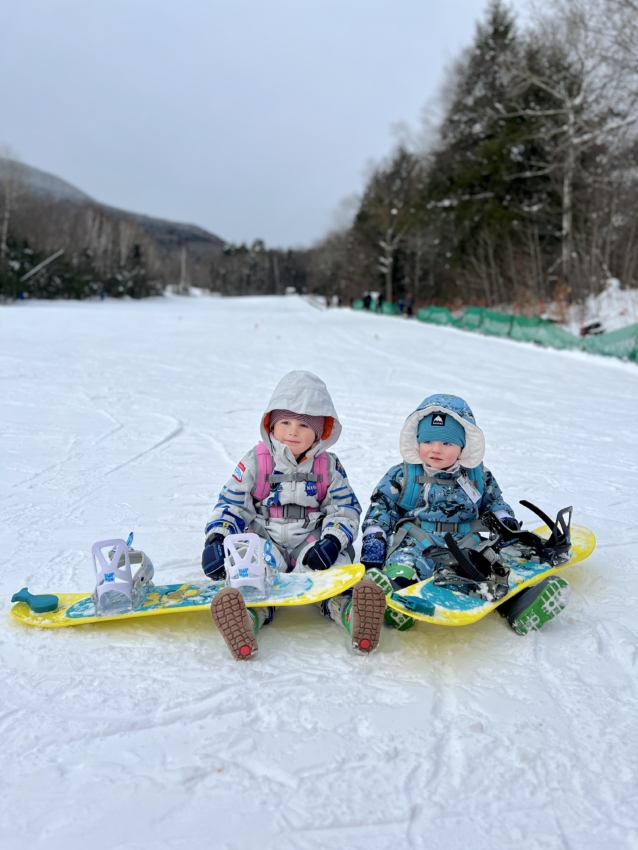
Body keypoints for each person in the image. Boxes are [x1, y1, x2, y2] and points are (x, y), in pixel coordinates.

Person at [203, 370, 385, 659]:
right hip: (265, 540)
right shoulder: (257, 460)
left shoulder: (327, 466)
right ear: (271, 425)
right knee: (248, 571)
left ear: (320, 431)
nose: (292, 431)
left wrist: (333, 542)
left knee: (336, 573)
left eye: (303, 425)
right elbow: (232, 503)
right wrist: (216, 537)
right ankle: (246, 619)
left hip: (313, 543)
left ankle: (353, 614)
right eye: (285, 422)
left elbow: (345, 509)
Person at [359, 393, 570, 634]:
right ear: (416, 441)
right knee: (403, 566)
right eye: (428, 441)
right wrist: (374, 538)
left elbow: (494, 502)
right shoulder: (404, 474)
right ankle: (395, 602)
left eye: (447, 443)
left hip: (465, 541)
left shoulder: (476, 475)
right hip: (417, 539)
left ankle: (519, 604)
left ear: (463, 446)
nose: (435, 449)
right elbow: (382, 507)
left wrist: (504, 521)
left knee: (491, 570)